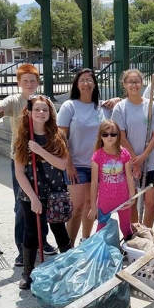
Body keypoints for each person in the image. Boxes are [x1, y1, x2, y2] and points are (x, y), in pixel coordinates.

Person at [0, 64, 57, 266]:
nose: (29, 84)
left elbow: (54, 128)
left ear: (38, 82)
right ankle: (23, 247)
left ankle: (43, 241)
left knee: (43, 201)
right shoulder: (14, 100)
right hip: (21, 159)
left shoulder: (45, 101)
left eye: (33, 81)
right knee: (22, 205)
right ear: (19, 83)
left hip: (43, 159)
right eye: (25, 81)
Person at [13, 95, 71, 289]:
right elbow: (20, 173)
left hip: (55, 192)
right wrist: (33, 199)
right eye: (36, 109)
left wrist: (39, 150)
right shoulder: (22, 138)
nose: (41, 113)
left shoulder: (57, 136)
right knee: (30, 232)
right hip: (31, 194)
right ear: (29, 112)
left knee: (59, 230)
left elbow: (62, 164)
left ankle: (70, 269)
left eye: (45, 110)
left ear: (50, 113)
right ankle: (27, 273)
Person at [57, 69, 110, 245]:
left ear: (95, 84)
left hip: (96, 165)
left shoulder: (101, 108)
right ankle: (68, 245)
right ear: (77, 84)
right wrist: (69, 164)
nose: (86, 83)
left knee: (90, 205)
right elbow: (61, 138)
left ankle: (85, 241)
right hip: (76, 165)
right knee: (77, 206)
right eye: (82, 80)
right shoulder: (69, 106)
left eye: (90, 80)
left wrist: (117, 100)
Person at [111, 70, 154, 228]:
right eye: (130, 82)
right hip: (128, 162)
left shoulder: (152, 106)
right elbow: (121, 136)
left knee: (150, 203)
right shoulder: (120, 108)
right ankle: (134, 235)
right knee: (132, 201)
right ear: (124, 84)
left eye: (137, 81)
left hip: (150, 161)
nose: (134, 85)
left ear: (142, 82)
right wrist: (135, 161)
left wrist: (144, 156)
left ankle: (147, 234)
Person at [89, 120, 136, 239]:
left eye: (113, 134)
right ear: (100, 136)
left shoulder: (124, 153)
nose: (109, 137)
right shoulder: (97, 156)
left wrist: (132, 196)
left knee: (126, 227)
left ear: (118, 135)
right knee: (101, 227)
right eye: (105, 134)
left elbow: (129, 176)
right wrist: (93, 207)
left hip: (123, 197)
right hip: (105, 199)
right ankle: (99, 254)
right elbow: (94, 183)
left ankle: (129, 251)